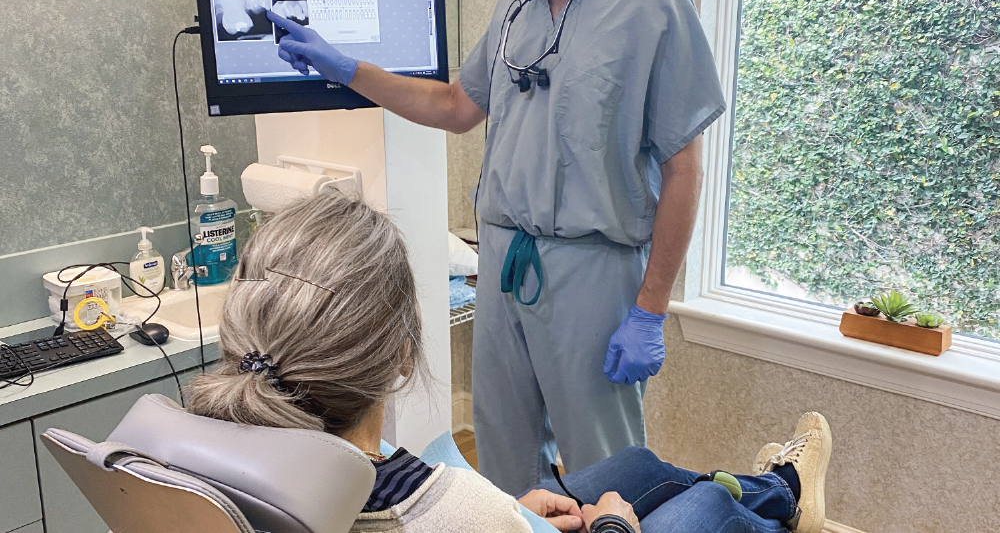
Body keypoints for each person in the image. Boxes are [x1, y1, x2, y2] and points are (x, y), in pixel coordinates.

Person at [267, 0, 727, 494]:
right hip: (505, 268)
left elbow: (684, 168)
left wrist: (650, 308)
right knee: (508, 466)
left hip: (593, 276)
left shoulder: (652, 1)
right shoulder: (518, 7)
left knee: (605, 475)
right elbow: (457, 106)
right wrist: (349, 70)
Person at [186, 193, 833, 533]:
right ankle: (777, 496)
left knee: (637, 465)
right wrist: (612, 529)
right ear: (404, 355)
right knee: (701, 514)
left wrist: (508, 513)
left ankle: (780, 487)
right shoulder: (459, 509)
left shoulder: (209, 479)